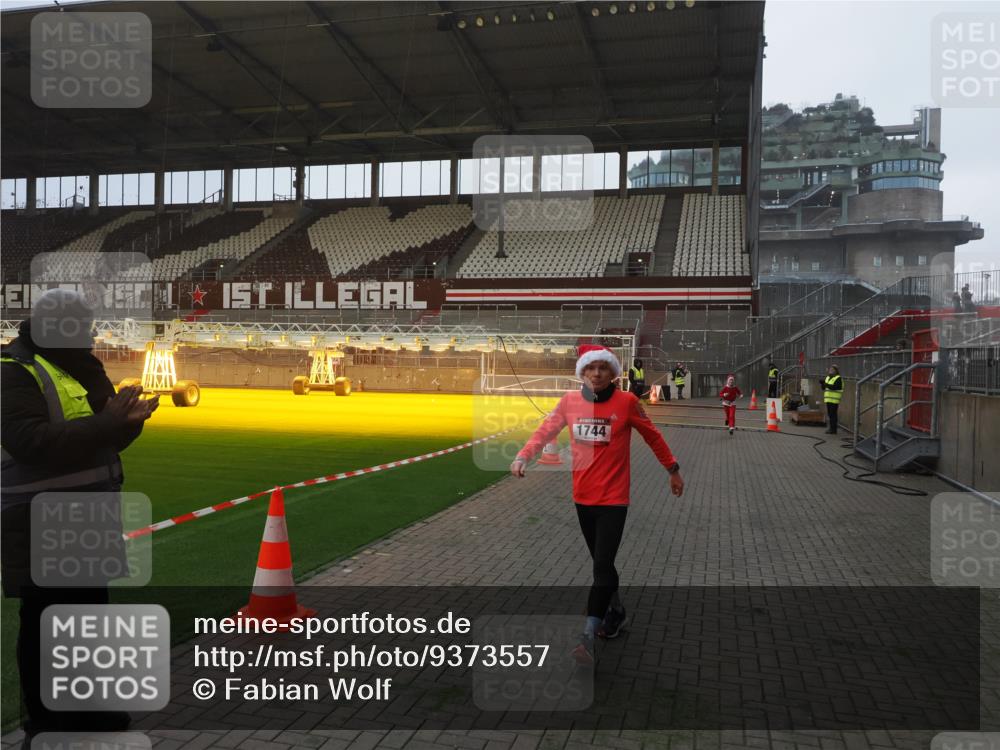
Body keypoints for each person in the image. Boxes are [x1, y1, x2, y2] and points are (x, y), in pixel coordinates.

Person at [1, 288, 159, 742]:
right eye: (83, 325)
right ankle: (45, 724)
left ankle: (92, 713)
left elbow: (99, 443)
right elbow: (29, 442)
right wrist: (109, 423)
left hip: (88, 518)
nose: (91, 334)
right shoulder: (14, 373)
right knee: (43, 625)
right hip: (38, 522)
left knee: (90, 619)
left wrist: (129, 423)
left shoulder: (84, 368)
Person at [509, 344, 684, 664]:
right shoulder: (570, 402)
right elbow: (546, 429)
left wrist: (672, 470)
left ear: (613, 372)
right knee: (601, 565)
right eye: (591, 368)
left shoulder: (627, 402)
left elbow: (653, 436)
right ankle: (616, 611)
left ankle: (586, 637)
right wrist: (523, 455)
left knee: (602, 565)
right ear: (582, 372)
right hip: (582, 497)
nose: (597, 374)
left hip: (615, 499)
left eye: (603, 368)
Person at [821, 364, 844, 435]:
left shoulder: (838, 378)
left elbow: (836, 387)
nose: (831, 371)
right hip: (828, 400)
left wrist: (825, 384)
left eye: (832, 370)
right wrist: (822, 384)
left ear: (836, 371)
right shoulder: (828, 377)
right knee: (830, 415)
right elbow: (824, 388)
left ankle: (833, 430)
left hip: (834, 400)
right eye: (830, 369)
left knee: (833, 415)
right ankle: (831, 428)